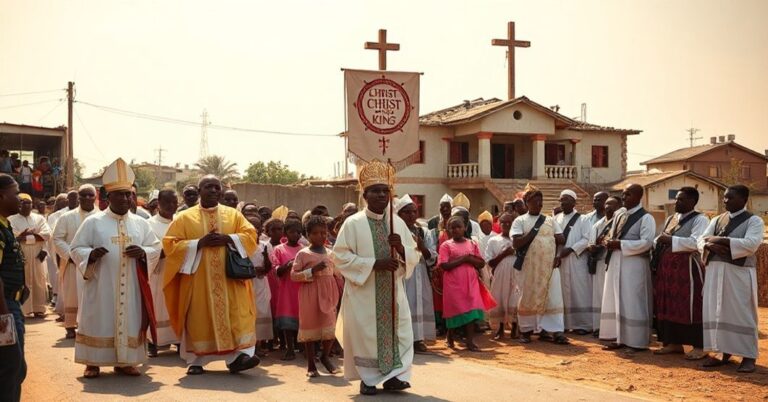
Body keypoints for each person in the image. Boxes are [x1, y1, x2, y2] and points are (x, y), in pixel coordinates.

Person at [333, 160, 419, 396]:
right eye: (376, 190)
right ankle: (368, 379)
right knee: (367, 335)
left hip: (393, 293)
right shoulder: (353, 223)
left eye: (385, 190)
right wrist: (373, 265)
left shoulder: (397, 222)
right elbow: (339, 257)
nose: (382, 194)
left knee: (399, 332)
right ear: (365, 194)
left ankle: (394, 377)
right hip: (365, 293)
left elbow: (414, 255)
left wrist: (401, 249)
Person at [69, 159, 161, 378]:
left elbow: (156, 247)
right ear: (108, 197)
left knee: (129, 320)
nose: (125, 198)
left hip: (130, 285)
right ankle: (92, 362)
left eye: (128, 194)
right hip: (101, 283)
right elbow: (76, 248)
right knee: (98, 319)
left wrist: (143, 253)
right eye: (119, 194)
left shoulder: (141, 223)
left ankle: (125, 361)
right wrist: (90, 255)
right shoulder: (94, 222)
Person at [163, 175, 259, 375]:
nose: (214, 191)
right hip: (198, 280)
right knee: (199, 318)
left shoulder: (233, 215)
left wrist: (229, 238)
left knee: (236, 317)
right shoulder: (184, 217)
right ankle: (196, 360)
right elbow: (170, 244)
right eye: (209, 187)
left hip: (229, 279)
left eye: (217, 187)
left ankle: (237, 358)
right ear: (199, 191)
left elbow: (251, 236)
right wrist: (198, 243)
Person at [698, 185, 763, 373]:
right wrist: (710, 244)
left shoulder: (754, 221)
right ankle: (721, 353)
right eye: (724, 198)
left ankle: (748, 356)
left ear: (744, 199)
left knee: (742, 313)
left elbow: (751, 244)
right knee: (718, 312)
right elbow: (701, 240)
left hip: (738, 274)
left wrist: (720, 241)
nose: (725, 201)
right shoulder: (718, 219)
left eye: (730, 198)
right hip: (715, 272)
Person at [651, 187, 709, 360]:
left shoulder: (701, 219)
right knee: (668, 304)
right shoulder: (671, 218)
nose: (677, 202)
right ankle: (673, 343)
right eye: (677, 199)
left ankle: (699, 346)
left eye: (681, 200)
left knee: (691, 306)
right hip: (668, 270)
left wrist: (670, 240)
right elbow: (660, 237)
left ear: (693, 202)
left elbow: (696, 242)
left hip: (688, 269)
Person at [600, 183, 655, 351]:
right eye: (623, 195)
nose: (624, 198)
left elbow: (647, 243)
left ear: (639, 197)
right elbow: (611, 235)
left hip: (634, 264)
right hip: (616, 261)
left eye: (628, 195)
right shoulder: (619, 215)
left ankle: (636, 341)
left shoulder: (646, 218)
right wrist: (608, 241)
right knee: (616, 299)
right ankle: (619, 337)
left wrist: (621, 244)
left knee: (632, 300)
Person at [511, 188, 568, 345]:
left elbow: (561, 240)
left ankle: (556, 332)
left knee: (553, 296)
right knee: (528, 296)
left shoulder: (550, 220)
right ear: (527, 203)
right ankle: (526, 331)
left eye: (540, 201)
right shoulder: (520, 221)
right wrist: (533, 233)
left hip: (549, 267)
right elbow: (516, 243)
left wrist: (558, 256)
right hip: (530, 267)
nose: (539, 204)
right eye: (535, 201)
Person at [290, 215, 341, 377]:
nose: (321, 236)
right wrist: (312, 270)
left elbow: (338, 273)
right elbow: (293, 275)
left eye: (324, 233)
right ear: (308, 235)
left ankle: (325, 356)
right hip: (309, 292)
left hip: (328, 292)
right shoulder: (303, 254)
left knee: (330, 327)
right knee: (310, 326)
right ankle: (311, 363)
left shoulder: (332, 253)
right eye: (317, 233)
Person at [52, 185, 99, 338]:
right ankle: (71, 326)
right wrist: (70, 255)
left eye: (90, 195)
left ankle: (92, 325)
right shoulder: (67, 217)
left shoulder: (102, 216)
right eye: (83, 195)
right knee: (72, 294)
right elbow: (57, 238)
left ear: (95, 196)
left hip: (96, 264)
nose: (86, 198)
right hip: (72, 263)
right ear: (78, 197)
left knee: (94, 295)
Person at [438, 216, 490, 351]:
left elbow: (481, 262)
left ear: (464, 228)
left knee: (472, 309)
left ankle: (470, 341)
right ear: (448, 230)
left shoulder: (472, 243)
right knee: (455, 310)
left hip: (471, 282)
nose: (455, 229)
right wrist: (464, 259)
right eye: (452, 227)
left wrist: (470, 260)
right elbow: (444, 265)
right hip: (454, 284)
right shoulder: (446, 245)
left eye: (458, 227)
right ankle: (450, 335)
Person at [396, 194, 436, 353]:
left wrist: (422, 247)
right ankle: (404, 340)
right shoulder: (396, 230)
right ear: (399, 214)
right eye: (407, 212)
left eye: (414, 212)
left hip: (420, 272)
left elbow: (432, 255)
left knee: (420, 303)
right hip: (404, 273)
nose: (411, 215)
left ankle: (419, 339)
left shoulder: (423, 231)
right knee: (406, 303)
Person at [0, 174, 25, 401]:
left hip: (12, 304)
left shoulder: (5, 225)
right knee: (11, 368)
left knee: (15, 368)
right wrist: (4, 315)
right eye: (15, 193)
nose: (19, 197)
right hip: (4, 307)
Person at [146, 189, 179, 357]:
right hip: (159, 271)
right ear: (158, 203)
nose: (172, 206)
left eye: (175, 202)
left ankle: (178, 340)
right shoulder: (149, 224)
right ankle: (153, 342)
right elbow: (150, 247)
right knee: (158, 307)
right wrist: (166, 251)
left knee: (178, 306)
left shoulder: (181, 221)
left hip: (180, 272)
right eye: (167, 202)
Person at [554, 189, 592, 334]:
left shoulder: (583, 219)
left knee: (579, 291)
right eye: (561, 200)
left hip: (577, 260)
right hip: (560, 260)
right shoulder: (556, 219)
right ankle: (562, 324)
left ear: (574, 202)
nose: (563, 203)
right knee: (561, 292)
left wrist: (570, 249)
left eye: (566, 200)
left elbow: (587, 238)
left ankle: (582, 325)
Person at [8, 193, 51, 318]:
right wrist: (32, 236)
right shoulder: (11, 219)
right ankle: (24, 310)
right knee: (23, 281)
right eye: (22, 202)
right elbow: (14, 237)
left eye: (28, 202)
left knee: (39, 280)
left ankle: (39, 308)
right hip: (21, 254)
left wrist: (25, 237)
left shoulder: (39, 218)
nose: (25, 205)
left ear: (32, 204)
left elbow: (47, 234)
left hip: (38, 253)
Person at [587, 196, 622, 336]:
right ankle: (598, 326)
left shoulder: (619, 224)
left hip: (612, 262)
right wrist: (592, 247)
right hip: (598, 262)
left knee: (610, 296)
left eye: (612, 205)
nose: (608, 207)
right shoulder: (597, 224)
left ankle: (610, 328)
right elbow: (590, 242)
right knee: (598, 295)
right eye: (607, 204)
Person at [271, 218, 304, 360]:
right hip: (285, 289)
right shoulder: (279, 249)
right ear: (285, 233)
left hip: (301, 288)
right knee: (287, 320)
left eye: (298, 232)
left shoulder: (303, 250)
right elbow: (276, 271)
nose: (295, 235)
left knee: (303, 319)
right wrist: (288, 265)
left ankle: (302, 348)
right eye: (291, 232)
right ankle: (289, 349)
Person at [486, 212, 518, 340]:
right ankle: (500, 329)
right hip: (500, 275)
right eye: (503, 222)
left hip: (516, 273)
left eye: (509, 222)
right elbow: (490, 262)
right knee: (499, 298)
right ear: (499, 224)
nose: (506, 225)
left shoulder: (518, 240)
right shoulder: (494, 240)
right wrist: (505, 253)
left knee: (514, 299)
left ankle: (515, 328)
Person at [246, 215, 273, 355]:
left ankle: (259, 345)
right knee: (248, 313)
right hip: (246, 283)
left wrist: (264, 265)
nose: (253, 230)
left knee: (261, 311)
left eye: (256, 227)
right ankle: (248, 346)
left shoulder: (265, 246)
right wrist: (251, 270)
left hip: (261, 283)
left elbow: (270, 267)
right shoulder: (241, 245)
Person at [47, 193, 70, 319]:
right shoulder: (54, 216)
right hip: (61, 251)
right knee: (59, 276)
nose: (64, 202)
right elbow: (53, 234)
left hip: (79, 253)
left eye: (65, 200)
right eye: (61, 200)